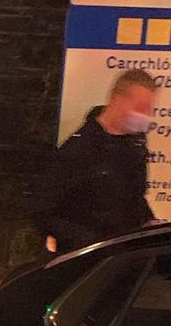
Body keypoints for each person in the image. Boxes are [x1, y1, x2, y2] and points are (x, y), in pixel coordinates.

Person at [35, 68, 159, 254]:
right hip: (87, 263)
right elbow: (43, 210)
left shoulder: (133, 147)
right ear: (116, 100)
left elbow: (132, 197)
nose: (144, 116)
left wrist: (150, 223)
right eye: (140, 108)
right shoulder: (79, 149)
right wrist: (88, 243)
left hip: (124, 256)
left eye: (148, 110)